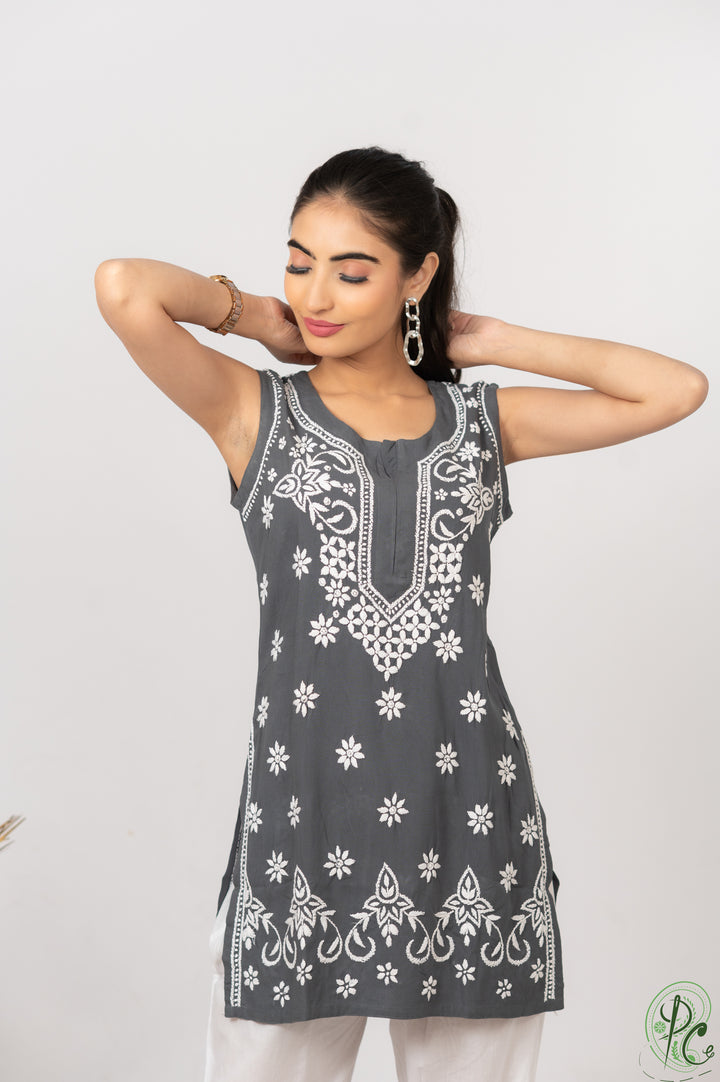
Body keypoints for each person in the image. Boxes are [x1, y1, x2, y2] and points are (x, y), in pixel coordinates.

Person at [94, 146, 708, 1082]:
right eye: (299, 263)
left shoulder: (483, 425)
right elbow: (124, 286)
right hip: (301, 835)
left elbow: (675, 389)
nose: (317, 294)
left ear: (417, 276)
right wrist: (261, 319)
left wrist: (486, 338)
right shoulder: (255, 413)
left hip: (471, 828)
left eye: (352, 272)